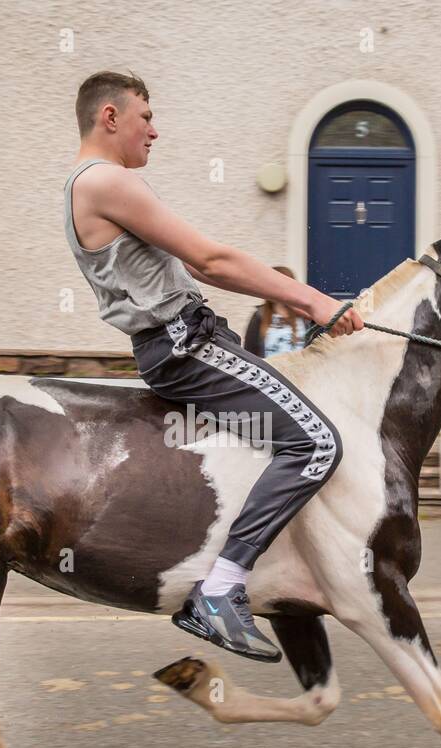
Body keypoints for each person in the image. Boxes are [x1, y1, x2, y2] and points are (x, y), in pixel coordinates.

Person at [63, 71, 362, 663]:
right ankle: (219, 592)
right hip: (186, 348)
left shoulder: (94, 184)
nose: (155, 129)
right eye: (146, 116)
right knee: (318, 444)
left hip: (187, 342)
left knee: (280, 438)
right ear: (110, 117)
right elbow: (209, 261)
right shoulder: (104, 181)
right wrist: (315, 302)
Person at [243, 266, 311, 357]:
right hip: (269, 370)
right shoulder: (259, 315)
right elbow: (249, 352)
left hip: (300, 370)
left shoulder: (304, 315)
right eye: (270, 285)